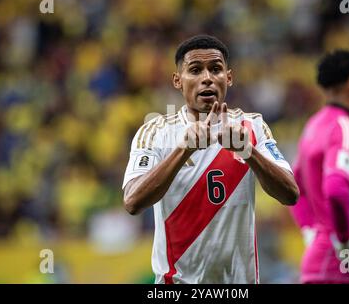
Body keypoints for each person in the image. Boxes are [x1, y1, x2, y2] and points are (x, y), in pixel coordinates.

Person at [122, 35, 299, 284]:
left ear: (228, 77)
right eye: (195, 70)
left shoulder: (253, 126)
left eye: (215, 69)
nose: (207, 77)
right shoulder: (156, 132)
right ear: (177, 81)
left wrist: (249, 152)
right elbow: (132, 201)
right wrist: (183, 150)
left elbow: (290, 194)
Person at [290, 50, 349, 284]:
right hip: (343, 270)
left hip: (320, 265)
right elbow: (336, 187)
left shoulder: (314, 125)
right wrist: (346, 244)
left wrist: (310, 230)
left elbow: (293, 187)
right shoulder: (344, 127)